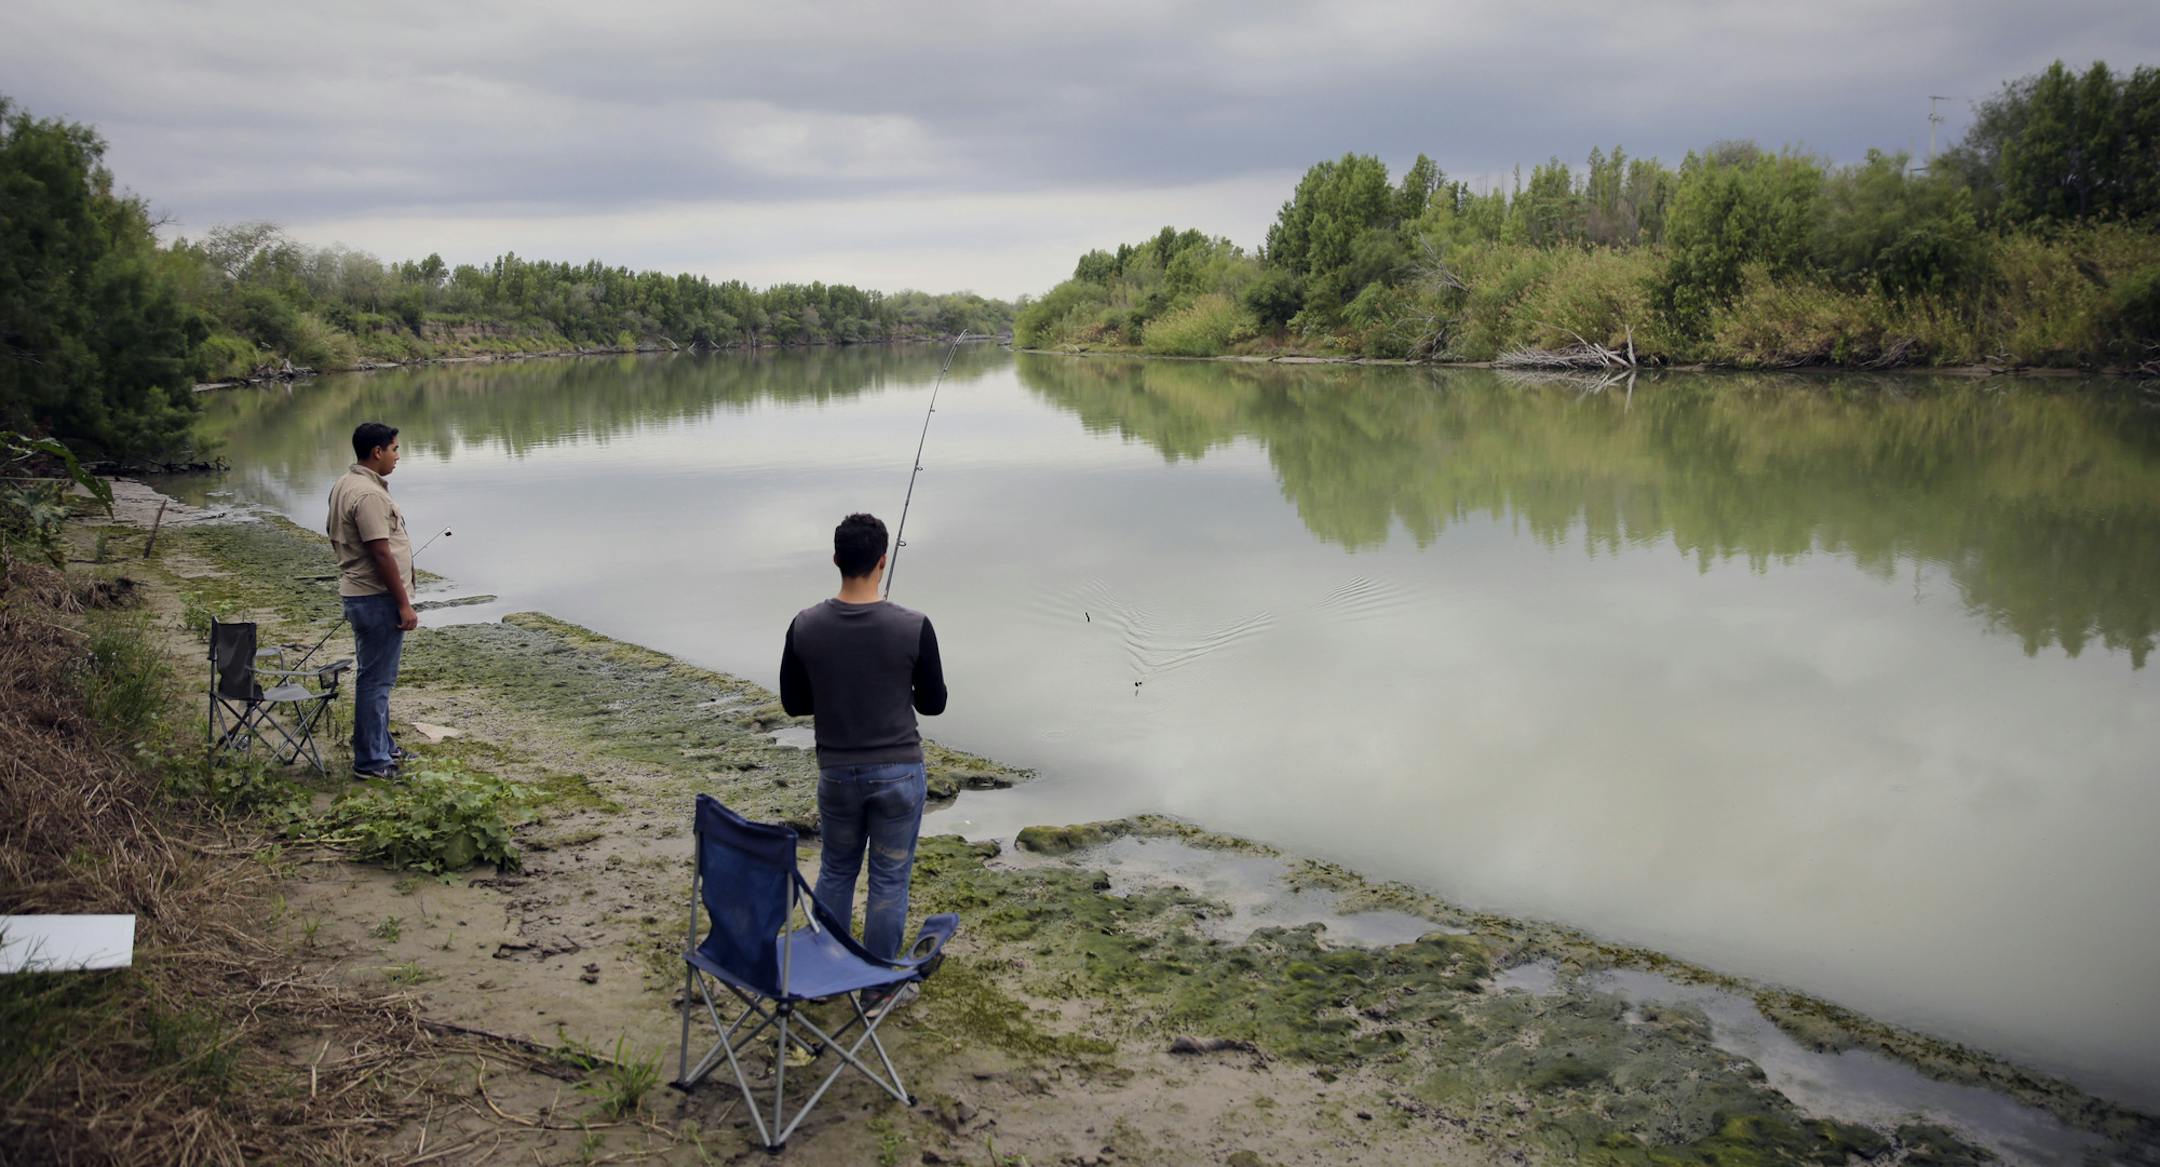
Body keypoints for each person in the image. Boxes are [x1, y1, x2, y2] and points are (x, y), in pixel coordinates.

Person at [779, 513, 948, 964]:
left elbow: (793, 703)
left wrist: (839, 689)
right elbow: (933, 704)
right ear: (882, 561)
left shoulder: (804, 625)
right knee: (889, 880)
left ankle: (829, 965)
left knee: (836, 870)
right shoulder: (913, 625)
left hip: (835, 773)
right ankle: (877, 983)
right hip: (898, 775)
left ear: (836, 559)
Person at [326, 422, 418, 780]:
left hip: (361, 595)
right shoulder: (368, 495)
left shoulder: (344, 484)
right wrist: (404, 604)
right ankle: (371, 761)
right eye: (395, 449)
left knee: (374, 677)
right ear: (377, 451)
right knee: (376, 682)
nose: (398, 456)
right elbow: (380, 553)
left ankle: (382, 745)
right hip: (375, 599)